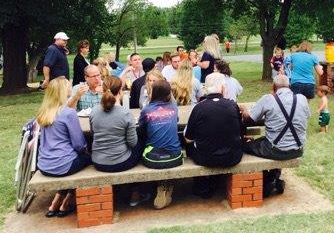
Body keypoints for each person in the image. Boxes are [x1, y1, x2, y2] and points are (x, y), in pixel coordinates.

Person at [240, 75, 310, 197]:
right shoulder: (302, 99)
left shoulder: (268, 99)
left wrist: (245, 110)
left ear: (273, 87)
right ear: (289, 87)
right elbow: (305, 116)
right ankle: (273, 177)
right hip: (297, 149)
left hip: (275, 150)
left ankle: (268, 180)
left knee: (244, 145)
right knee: (262, 141)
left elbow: (249, 120)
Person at [36, 77, 91, 218]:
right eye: (68, 87)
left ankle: (57, 200)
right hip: (63, 165)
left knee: (72, 160)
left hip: (44, 164)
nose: (70, 89)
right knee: (92, 159)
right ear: (62, 91)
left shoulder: (44, 111)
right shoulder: (68, 113)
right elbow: (79, 145)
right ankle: (67, 199)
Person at [184, 73, 243, 198]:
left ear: (205, 89)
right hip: (232, 157)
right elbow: (240, 131)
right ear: (222, 88)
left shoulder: (199, 108)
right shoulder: (233, 105)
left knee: (187, 144)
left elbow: (188, 138)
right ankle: (213, 182)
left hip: (205, 158)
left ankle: (201, 183)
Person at [138, 81, 182, 209]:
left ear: (153, 93)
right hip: (175, 158)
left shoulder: (147, 110)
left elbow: (141, 129)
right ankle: (166, 185)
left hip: (153, 160)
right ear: (169, 94)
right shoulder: (173, 107)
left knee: (143, 144)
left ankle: (160, 186)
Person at [90, 76, 142, 172]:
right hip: (120, 162)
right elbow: (133, 143)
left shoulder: (94, 111)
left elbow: (93, 135)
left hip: (98, 161)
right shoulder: (125, 113)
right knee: (141, 141)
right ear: (120, 91)